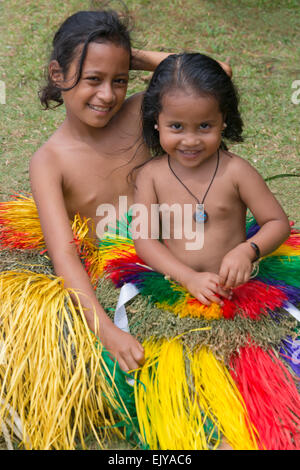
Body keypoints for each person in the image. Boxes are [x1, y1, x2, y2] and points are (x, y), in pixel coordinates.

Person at [29, 10, 232, 373]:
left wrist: (127, 55)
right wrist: (107, 331)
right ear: (58, 75)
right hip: (120, 276)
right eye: (93, 78)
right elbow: (65, 255)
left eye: (119, 80)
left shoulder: (138, 111)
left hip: (176, 249)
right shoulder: (49, 161)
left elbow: (218, 73)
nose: (107, 95)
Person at [133, 53, 291, 304]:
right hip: (177, 285)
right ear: (156, 121)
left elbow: (277, 222)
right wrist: (187, 278)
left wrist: (247, 251)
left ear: (223, 120)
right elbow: (145, 240)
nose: (191, 140)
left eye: (204, 126)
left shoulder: (236, 171)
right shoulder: (150, 176)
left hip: (234, 289)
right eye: (176, 126)